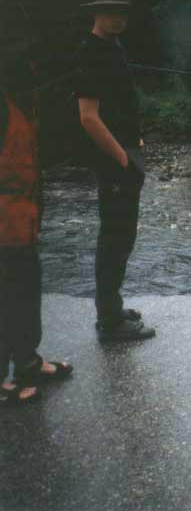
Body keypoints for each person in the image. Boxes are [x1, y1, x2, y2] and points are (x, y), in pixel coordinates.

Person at [75, 0, 155, 340]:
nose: (117, 17)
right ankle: (109, 322)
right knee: (114, 239)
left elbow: (120, 104)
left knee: (122, 238)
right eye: (110, 10)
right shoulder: (92, 51)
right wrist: (123, 158)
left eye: (121, 11)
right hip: (114, 163)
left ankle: (112, 307)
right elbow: (88, 117)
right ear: (95, 12)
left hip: (125, 156)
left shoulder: (112, 47)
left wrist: (135, 141)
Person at [0, 23, 73, 407]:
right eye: (28, 66)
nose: (35, 74)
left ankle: (27, 361)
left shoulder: (26, 102)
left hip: (24, 219)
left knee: (26, 291)